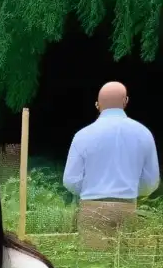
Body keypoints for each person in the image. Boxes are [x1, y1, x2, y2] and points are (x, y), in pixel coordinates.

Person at [63, 82, 159, 241]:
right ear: (125, 101)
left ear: (97, 105)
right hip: (127, 207)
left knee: (93, 263)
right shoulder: (144, 133)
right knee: (125, 263)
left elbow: (70, 180)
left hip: (91, 209)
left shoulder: (82, 135)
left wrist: (92, 189)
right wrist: (130, 189)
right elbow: (151, 182)